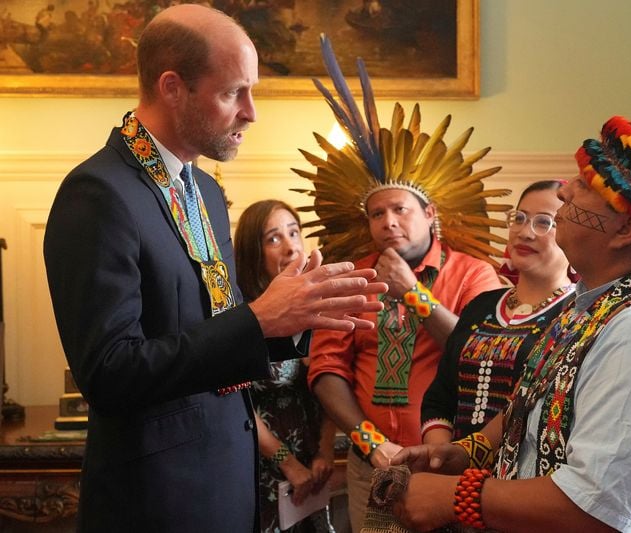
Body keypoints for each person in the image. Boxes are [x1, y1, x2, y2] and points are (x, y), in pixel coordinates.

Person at [42, 5, 385, 532]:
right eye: (233, 93)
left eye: (252, 91)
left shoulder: (201, 188)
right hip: (157, 502)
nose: (252, 112)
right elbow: (109, 373)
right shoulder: (98, 194)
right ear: (172, 88)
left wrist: (291, 319)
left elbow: (214, 335)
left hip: (229, 483)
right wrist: (260, 319)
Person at [390, 116, 631, 532]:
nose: (564, 191)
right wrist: (468, 452)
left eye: (583, 185)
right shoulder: (597, 306)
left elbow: (594, 511)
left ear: (626, 228)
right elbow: (534, 403)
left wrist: (453, 496)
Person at [295, 36, 508, 532]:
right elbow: (326, 369)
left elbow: (478, 356)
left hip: (444, 461)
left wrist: (413, 292)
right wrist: (370, 442)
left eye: (400, 209)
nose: (388, 222)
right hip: (371, 461)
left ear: (430, 214)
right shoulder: (352, 278)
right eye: (377, 214)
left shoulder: (473, 273)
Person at [420, 180, 576, 444]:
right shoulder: (481, 306)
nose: (524, 232)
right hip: (451, 466)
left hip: (527, 467)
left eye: (544, 222)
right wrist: (440, 454)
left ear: (573, 235)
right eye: (520, 218)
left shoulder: (578, 313)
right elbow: (440, 397)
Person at [235, 199, 337, 533]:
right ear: (253, 253)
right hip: (263, 461)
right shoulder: (243, 318)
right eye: (274, 238)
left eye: (294, 232)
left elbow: (331, 382)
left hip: (312, 456)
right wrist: (288, 464)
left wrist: (324, 451)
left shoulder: (319, 307)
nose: (291, 246)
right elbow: (236, 403)